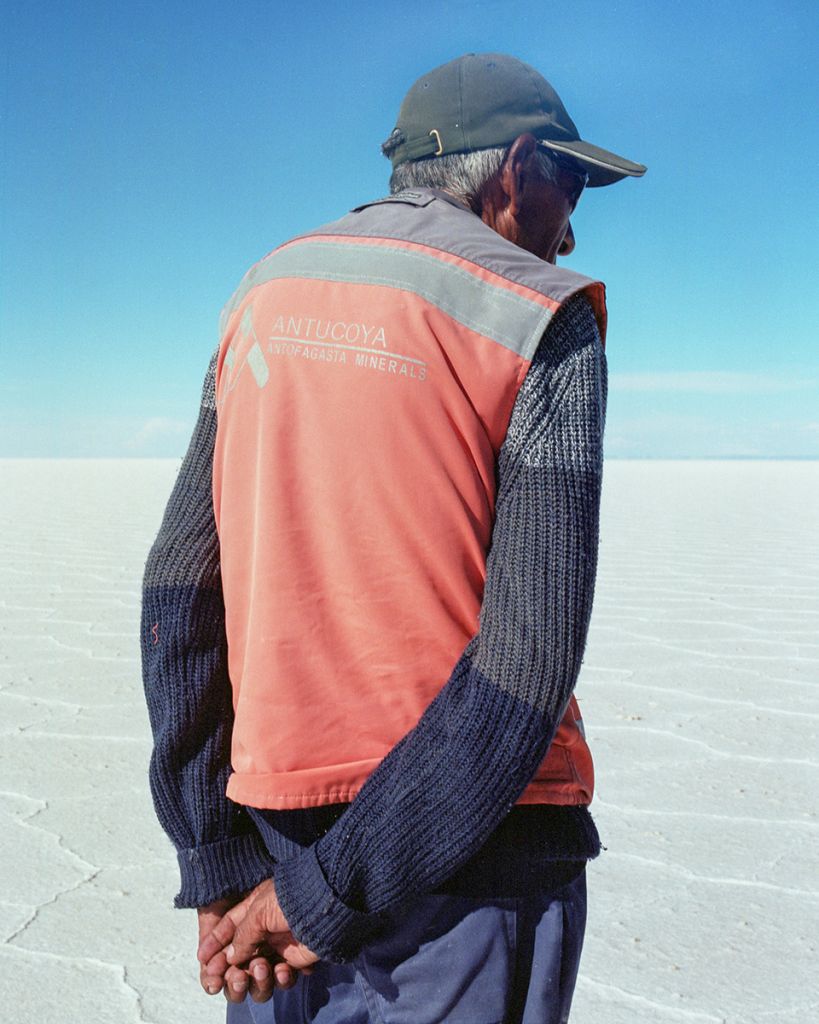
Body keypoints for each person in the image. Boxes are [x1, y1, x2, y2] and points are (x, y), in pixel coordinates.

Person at [142, 52, 645, 1023]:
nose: (572, 224)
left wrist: (218, 855)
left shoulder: (262, 294)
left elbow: (177, 590)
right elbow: (526, 664)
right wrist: (326, 895)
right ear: (517, 169)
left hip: (275, 866)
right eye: (570, 185)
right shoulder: (540, 315)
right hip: (473, 865)